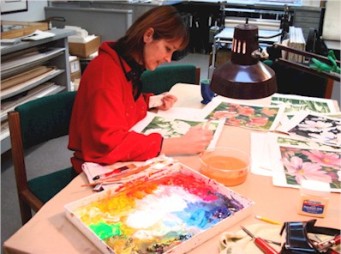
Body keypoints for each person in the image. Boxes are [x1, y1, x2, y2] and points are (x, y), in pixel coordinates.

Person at [68, 6, 213, 173]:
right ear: (148, 35)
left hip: (111, 162)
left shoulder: (125, 65)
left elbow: (121, 109)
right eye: (167, 48)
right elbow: (106, 143)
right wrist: (179, 144)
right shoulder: (106, 72)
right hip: (94, 169)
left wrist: (148, 102)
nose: (168, 59)